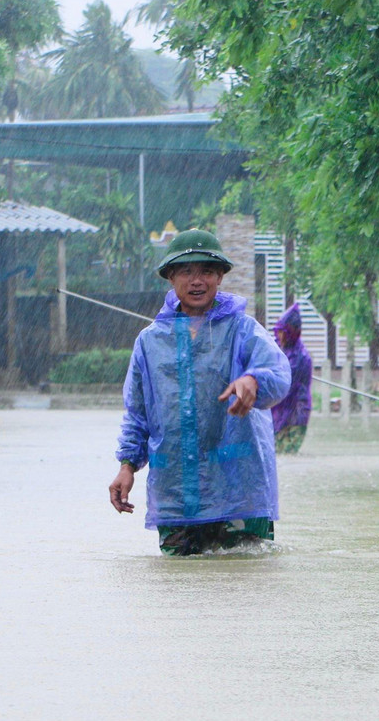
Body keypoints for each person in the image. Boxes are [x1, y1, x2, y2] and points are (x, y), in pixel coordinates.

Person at [109, 229, 291, 556]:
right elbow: (138, 415)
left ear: (220, 276)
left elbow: (279, 374)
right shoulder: (149, 342)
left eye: (206, 271)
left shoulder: (243, 329)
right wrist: (127, 466)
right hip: (176, 496)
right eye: (186, 271)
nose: (197, 280)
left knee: (245, 584)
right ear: (170, 277)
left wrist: (253, 381)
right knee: (179, 591)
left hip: (240, 494)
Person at [270, 302, 313, 454]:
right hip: (275, 411)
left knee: (286, 453)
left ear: (292, 333)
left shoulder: (302, 358)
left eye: (283, 332)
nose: (279, 336)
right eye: (278, 331)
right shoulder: (274, 348)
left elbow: (286, 388)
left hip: (294, 413)